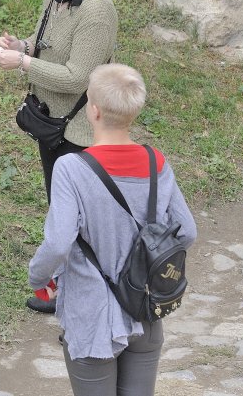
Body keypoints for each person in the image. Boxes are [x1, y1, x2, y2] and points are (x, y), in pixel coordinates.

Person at [28, 64, 197, 396]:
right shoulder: (156, 162)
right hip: (145, 307)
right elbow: (187, 231)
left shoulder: (71, 168)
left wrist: (38, 277)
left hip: (93, 317)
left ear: (93, 111)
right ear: (134, 112)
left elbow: (59, 242)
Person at [0, 0, 117, 312]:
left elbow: (78, 77)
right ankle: (68, 289)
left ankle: (90, 298)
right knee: (62, 213)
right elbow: (47, 44)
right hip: (52, 124)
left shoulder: (97, 12)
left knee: (81, 220)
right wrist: (22, 46)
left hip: (82, 132)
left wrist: (22, 63)